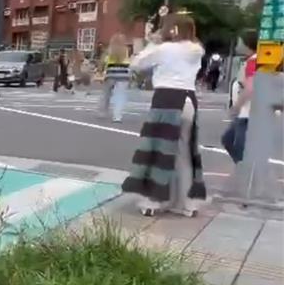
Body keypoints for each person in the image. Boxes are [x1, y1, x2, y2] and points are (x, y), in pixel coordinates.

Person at [122, 12, 206, 217]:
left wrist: (153, 42)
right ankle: (188, 204)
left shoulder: (164, 49)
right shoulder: (196, 50)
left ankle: (152, 201)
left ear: (171, 29)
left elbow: (136, 63)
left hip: (166, 99)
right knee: (185, 153)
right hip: (189, 100)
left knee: (158, 151)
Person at [221, 31, 259, 163]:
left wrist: (236, 107)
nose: (237, 46)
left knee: (239, 146)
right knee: (228, 140)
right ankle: (245, 168)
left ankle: (247, 170)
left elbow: (250, 87)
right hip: (246, 112)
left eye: (240, 42)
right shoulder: (251, 60)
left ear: (248, 44)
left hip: (249, 112)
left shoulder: (254, 61)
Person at [97, 34, 131, 122]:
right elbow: (130, 62)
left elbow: (102, 63)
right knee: (120, 96)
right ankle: (117, 116)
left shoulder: (109, 50)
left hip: (111, 74)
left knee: (106, 94)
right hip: (124, 75)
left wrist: (100, 72)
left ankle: (102, 112)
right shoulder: (126, 50)